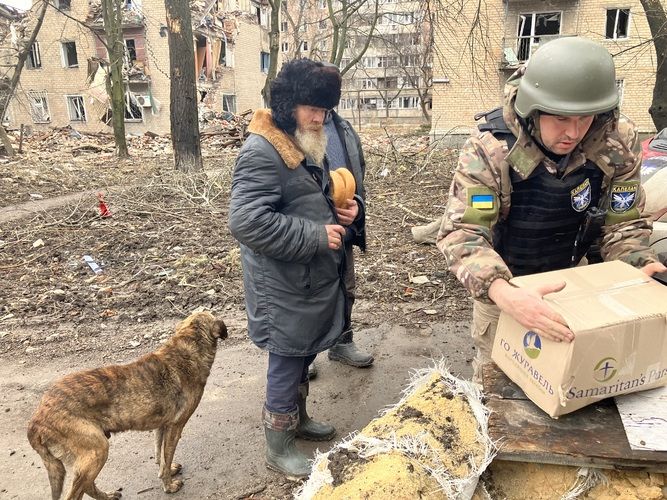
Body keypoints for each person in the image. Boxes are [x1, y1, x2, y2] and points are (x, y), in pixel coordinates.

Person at [437, 37, 667, 382]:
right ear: (533, 107)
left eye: (584, 118)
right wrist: (506, 294)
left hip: (576, 279)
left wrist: (642, 265)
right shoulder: (491, 148)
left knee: (581, 378)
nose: (573, 132)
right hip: (507, 285)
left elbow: (623, 225)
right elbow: (463, 234)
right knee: (499, 389)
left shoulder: (615, 142)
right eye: (559, 119)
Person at [228, 58, 353, 480]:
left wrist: (340, 212)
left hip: (302, 279)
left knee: (302, 356)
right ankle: (277, 447)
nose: (319, 118)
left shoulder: (296, 140)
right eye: (311, 108)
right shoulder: (263, 150)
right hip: (279, 286)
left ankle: (297, 421)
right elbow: (246, 222)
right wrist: (316, 236)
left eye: (325, 110)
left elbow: (300, 200)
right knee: (285, 362)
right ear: (287, 104)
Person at [308, 63, 374, 379]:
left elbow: (358, 173)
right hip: (309, 230)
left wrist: (358, 208)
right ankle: (302, 355)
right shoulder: (295, 128)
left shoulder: (344, 128)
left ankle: (341, 341)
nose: (321, 111)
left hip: (343, 225)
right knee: (309, 292)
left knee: (345, 287)